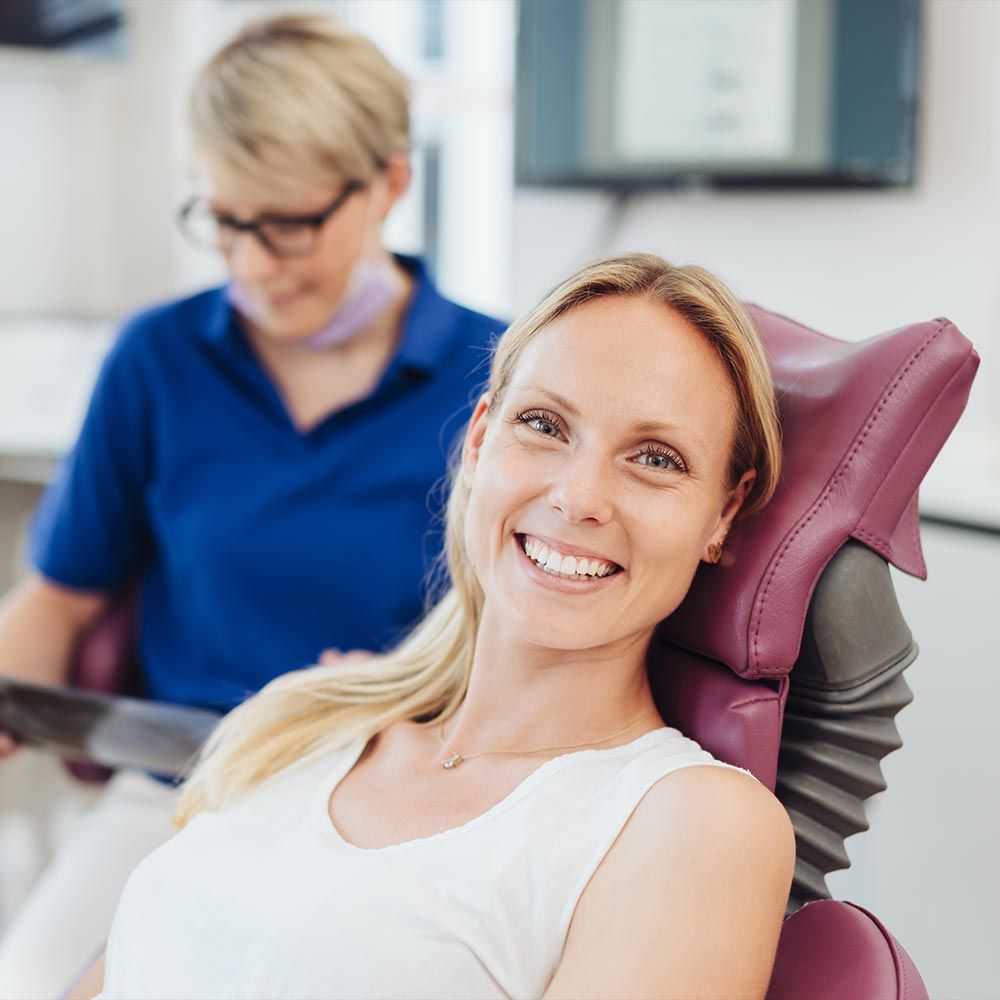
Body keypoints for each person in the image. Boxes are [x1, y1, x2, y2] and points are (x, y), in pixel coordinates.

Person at [93, 252, 795, 999]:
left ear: (722, 512)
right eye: (544, 424)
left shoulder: (695, 823)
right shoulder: (306, 717)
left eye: (655, 457)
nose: (579, 496)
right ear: (480, 438)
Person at [0, 14, 502, 997]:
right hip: (183, 781)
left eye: (289, 225)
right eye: (226, 222)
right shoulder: (158, 359)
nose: (253, 265)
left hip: (394, 794)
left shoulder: (498, 376)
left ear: (389, 184)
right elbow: (57, 598)